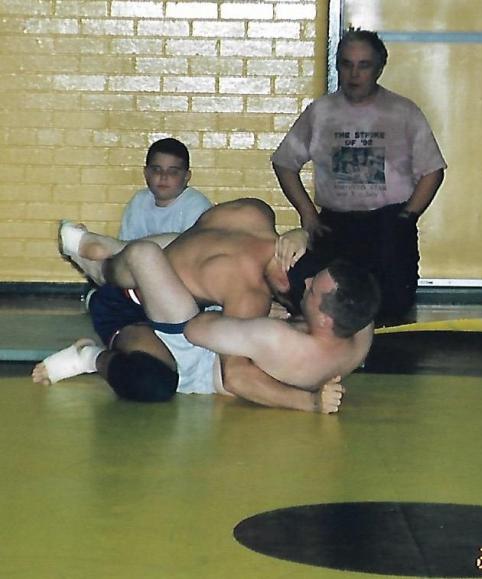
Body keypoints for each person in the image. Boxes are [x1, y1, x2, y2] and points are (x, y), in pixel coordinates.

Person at [34, 199, 379, 413]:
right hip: (162, 302)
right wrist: (302, 234)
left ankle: (91, 342)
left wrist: (311, 404)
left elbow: (201, 334)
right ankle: (105, 261)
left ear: (324, 317)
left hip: (182, 326)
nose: (308, 284)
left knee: (151, 378)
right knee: (158, 259)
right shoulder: (358, 337)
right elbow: (354, 287)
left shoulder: (256, 216)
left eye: (310, 291)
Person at [271, 29, 447, 325]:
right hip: (335, 225)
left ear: (379, 68)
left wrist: (406, 217)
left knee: (393, 305)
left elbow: (433, 171)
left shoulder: (403, 112)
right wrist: (308, 214)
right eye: (346, 64)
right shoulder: (321, 112)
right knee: (319, 300)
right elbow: (284, 163)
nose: (354, 74)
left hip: (387, 224)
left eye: (363, 65)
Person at [87, 137, 213, 344]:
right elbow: (124, 257)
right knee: (105, 295)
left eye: (173, 172)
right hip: (140, 284)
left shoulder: (195, 206)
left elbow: (195, 264)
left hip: (183, 290)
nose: (163, 177)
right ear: (146, 173)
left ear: (186, 177)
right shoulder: (139, 201)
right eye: (156, 170)